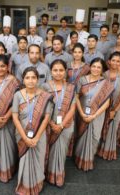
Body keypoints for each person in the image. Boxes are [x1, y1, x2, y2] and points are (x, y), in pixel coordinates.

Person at [12, 67, 53, 194]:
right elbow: (14, 116)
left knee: (39, 159)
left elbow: (47, 118)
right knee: (24, 158)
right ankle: (25, 185)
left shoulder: (45, 96)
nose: (30, 81)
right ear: (23, 80)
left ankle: (37, 184)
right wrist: (25, 137)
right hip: (21, 133)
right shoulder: (18, 95)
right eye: (27, 78)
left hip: (39, 134)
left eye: (33, 77)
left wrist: (36, 137)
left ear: (37, 79)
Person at [75, 58, 113, 171]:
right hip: (81, 112)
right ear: (90, 67)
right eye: (94, 66)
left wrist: (94, 115)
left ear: (102, 70)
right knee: (80, 135)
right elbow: (76, 97)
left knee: (95, 137)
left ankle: (88, 160)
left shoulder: (105, 83)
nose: (96, 69)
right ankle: (78, 159)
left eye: (99, 67)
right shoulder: (82, 80)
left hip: (97, 115)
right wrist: (81, 113)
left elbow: (107, 102)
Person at [42, 59, 76, 187]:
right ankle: (48, 174)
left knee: (61, 152)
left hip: (66, 125)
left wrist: (61, 125)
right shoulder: (45, 86)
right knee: (49, 150)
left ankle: (58, 177)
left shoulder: (71, 87)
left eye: (61, 70)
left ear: (65, 71)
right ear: (51, 71)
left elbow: (73, 108)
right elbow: (42, 108)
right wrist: (51, 124)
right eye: (55, 70)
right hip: (48, 123)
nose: (58, 73)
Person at [98, 52, 120, 160]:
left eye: (118, 61)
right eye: (113, 60)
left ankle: (108, 151)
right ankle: (100, 149)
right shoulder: (103, 75)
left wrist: (115, 110)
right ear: (109, 61)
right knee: (102, 127)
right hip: (103, 107)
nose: (115, 63)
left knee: (112, 129)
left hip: (116, 107)